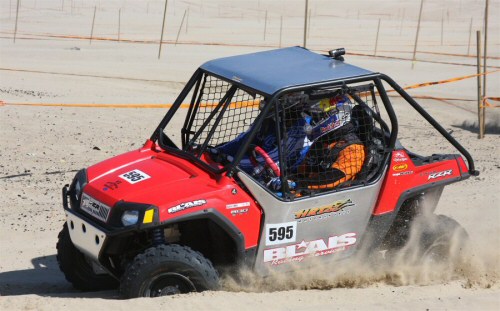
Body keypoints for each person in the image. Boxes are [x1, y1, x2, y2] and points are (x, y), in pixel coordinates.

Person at [268, 94, 366, 193]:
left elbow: (333, 178)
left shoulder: (354, 148)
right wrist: (284, 178)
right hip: (307, 193)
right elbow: (303, 171)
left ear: (334, 116)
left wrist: (295, 184)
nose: (313, 121)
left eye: (316, 117)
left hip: (330, 199)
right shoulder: (323, 141)